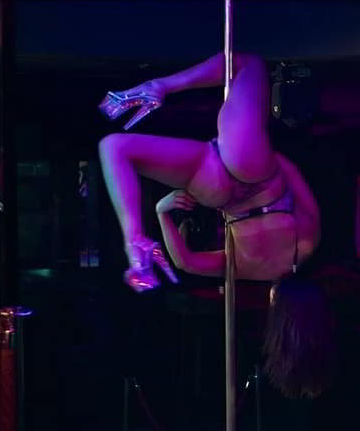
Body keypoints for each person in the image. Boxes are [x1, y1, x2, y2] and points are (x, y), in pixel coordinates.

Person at [97, 51, 321, 291]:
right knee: (114, 147)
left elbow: (291, 173)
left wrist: (258, 155)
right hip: (218, 192)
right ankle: (134, 241)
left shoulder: (307, 245)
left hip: (256, 175)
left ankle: (158, 87)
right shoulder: (242, 269)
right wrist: (161, 212)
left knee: (248, 65)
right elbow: (185, 263)